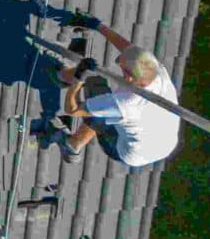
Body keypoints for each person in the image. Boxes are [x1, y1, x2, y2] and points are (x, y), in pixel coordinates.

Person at [58, 20, 182, 167]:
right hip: (163, 143)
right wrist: (98, 26)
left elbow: (72, 110)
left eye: (120, 64)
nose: (117, 61)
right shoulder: (154, 69)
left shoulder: (127, 103)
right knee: (105, 109)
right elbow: (128, 48)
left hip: (127, 151)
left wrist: (79, 78)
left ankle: (72, 145)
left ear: (129, 77)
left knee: (94, 85)